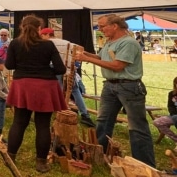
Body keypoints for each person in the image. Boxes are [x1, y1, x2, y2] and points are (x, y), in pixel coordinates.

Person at [75, 13, 156, 167]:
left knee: (137, 127)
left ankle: (144, 165)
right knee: (103, 121)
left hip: (129, 87)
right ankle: (99, 155)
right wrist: (85, 54)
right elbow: (101, 58)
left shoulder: (128, 43)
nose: (100, 29)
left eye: (102, 26)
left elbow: (118, 66)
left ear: (114, 26)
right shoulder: (110, 42)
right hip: (110, 86)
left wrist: (87, 59)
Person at [5, 15, 67, 173]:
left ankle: (10, 157)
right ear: (39, 29)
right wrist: (44, 70)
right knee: (43, 125)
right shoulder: (48, 45)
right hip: (45, 86)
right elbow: (61, 69)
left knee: (19, 122)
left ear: (22, 27)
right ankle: (41, 162)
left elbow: (9, 65)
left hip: (23, 85)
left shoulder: (15, 43)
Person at [39, 27, 95, 128]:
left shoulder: (46, 44)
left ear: (47, 35)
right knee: (75, 91)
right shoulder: (66, 42)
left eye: (42, 36)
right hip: (69, 69)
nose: (41, 38)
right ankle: (85, 115)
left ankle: (60, 112)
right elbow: (81, 49)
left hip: (55, 69)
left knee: (58, 91)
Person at [153, 77, 177, 144]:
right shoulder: (172, 94)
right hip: (174, 115)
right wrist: (173, 114)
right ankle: (176, 139)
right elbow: (170, 106)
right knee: (157, 122)